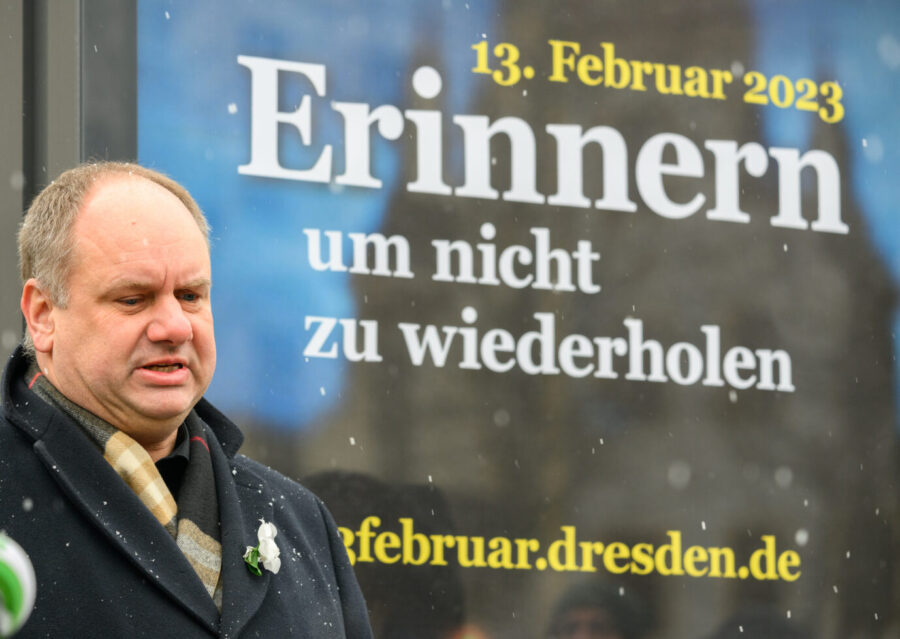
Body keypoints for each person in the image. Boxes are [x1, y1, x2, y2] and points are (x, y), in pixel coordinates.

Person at [0, 162, 373, 637]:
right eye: (133, 298)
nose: (175, 326)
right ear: (43, 314)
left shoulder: (302, 522)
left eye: (191, 295)